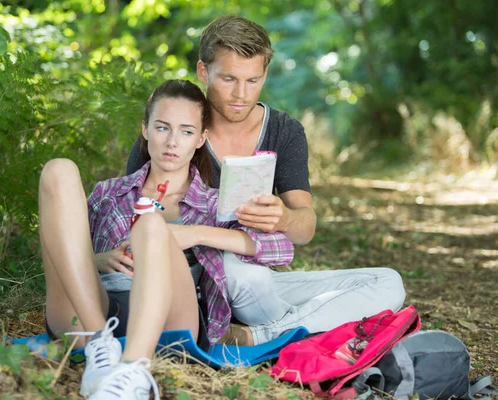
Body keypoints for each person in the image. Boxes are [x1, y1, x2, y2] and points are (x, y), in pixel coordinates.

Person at [127, 15, 406, 345]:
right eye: (228, 79)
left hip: (257, 282)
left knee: (387, 282)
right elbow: (129, 216)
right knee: (237, 271)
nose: (240, 94)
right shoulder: (173, 129)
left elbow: (305, 229)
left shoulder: (284, 131)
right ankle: (305, 328)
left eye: (253, 80)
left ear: (265, 74)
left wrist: (284, 217)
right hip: (189, 279)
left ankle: (259, 335)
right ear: (204, 72)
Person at [39, 80, 294, 399]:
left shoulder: (216, 202)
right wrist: (96, 260)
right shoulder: (109, 193)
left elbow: (281, 249)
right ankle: (101, 350)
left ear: (201, 139)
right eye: (162, 128)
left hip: (172, 321)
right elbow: (60, 248)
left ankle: (133, 369)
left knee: (150, 227)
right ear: (145, 129)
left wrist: (193, 233)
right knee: (58, 170)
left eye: (186, 131)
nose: (172, 142)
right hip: (97, 309)